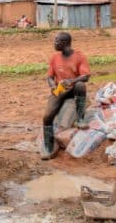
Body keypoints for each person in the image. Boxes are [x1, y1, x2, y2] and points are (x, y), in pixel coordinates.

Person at [41, 32, 91, 160]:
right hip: (60, 89)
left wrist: (71, 81)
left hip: (73, 87)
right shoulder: (55, 58)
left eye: (56, 41)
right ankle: (48, 146)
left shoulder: (79, 57)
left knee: (80, 85)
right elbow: (49, 76)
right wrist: (52, 86)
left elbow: (85, 76)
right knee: (47, 116)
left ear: (64, 43)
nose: (54, 43)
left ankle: (80, 118)